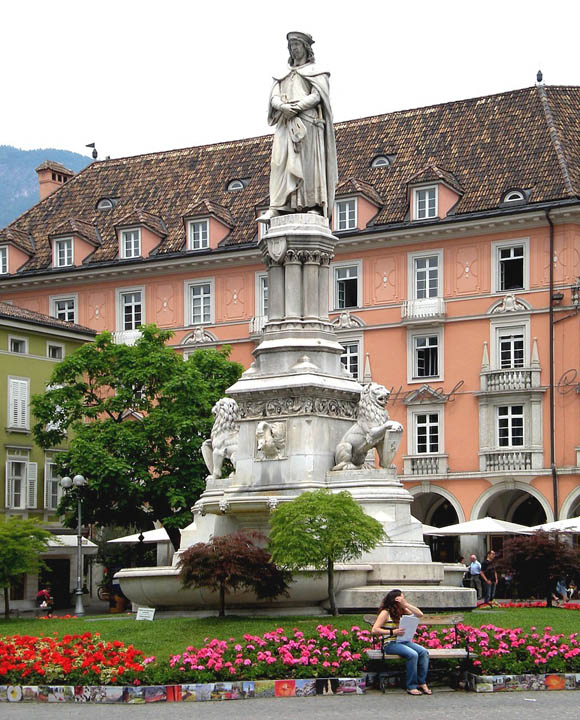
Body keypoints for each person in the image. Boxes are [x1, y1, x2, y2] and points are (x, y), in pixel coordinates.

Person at [259, 31, 338, 222]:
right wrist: (283, 107)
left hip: (308, 124)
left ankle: (313, 205)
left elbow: (318, 95)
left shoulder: (317, 72)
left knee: (309, 165)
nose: (294, 48)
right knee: (280, 163)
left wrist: (298, 107)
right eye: (291, 45)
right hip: (286, 122)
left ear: (305, 47)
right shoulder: (283, 74)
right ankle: (279, 206)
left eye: (297, 44)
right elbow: (274, 96)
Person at [372, 589, 431, 696]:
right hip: (390, 644)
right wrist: (392, 632)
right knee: (413, 655)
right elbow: (375, 629)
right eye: (402, 598)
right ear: (396, 600)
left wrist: (406, 604)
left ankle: (421, 682)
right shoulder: (385, 613)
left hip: (404, 641)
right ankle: (411, 686)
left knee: (423, 652)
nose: (404, 600)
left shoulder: (403, 610)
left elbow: (419, 614)